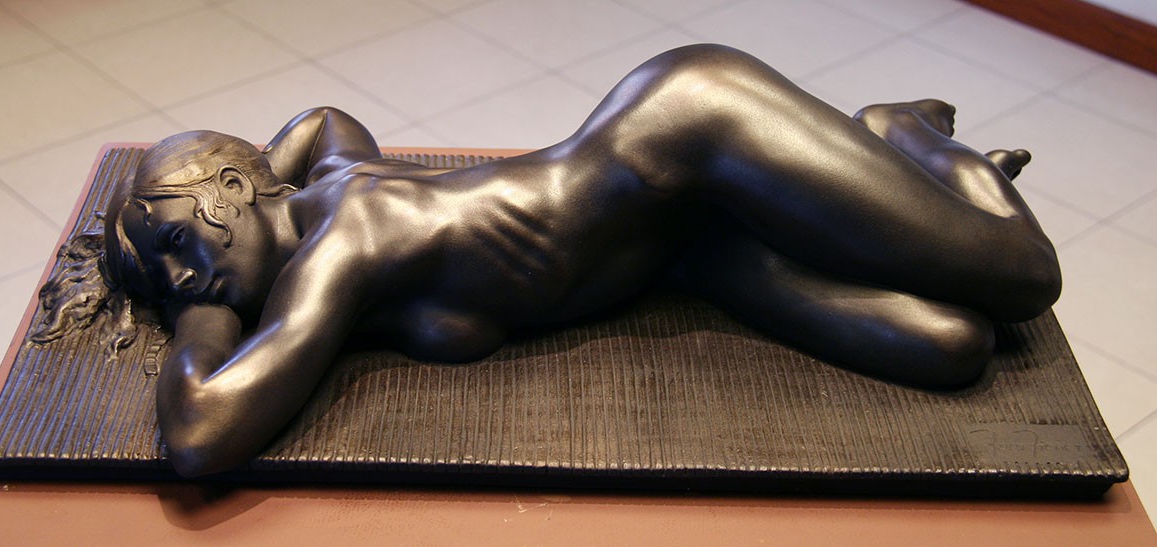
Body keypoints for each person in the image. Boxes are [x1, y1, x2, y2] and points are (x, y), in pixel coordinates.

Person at [72, 44, 1058, 477]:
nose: (184, 281)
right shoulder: (336, 176)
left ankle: (906, 134)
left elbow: (202, 431)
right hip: (678, 251)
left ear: (235, 188)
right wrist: (229, 219)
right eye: (164, 277)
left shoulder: (349, 242)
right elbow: (321, 120)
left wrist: (201, 316)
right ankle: (877, 150)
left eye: (179, 243)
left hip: (687, 129)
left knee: (1021, 275)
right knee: (951, 345)